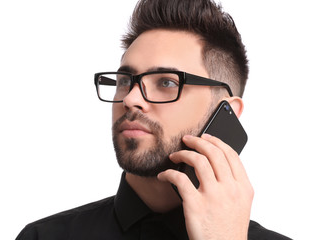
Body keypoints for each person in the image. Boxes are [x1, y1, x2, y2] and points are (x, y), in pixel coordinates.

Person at [16, 0, 291, 239]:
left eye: (167, 82)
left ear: (226, 111)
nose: (130, 99)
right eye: (125, 81)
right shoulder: (43, 237)